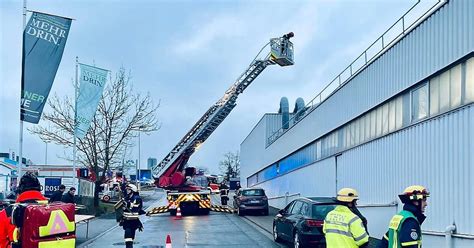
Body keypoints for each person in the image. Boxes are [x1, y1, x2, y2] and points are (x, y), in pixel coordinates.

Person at [0, 172, 47, 248]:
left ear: (19, 191)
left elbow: (1, 243)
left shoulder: (6, 213)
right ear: (39, 189)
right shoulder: (51, 210)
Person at [121, 184, 144, 248]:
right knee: (128, 237)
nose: (127, 191)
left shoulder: (137, 198)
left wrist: (127, 204)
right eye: (127, 189)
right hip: (126, 220)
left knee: (130, 236)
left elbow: (135, 207)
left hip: (133, 221)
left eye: (129, 189)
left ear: (133, 190)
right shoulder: (127, 197)